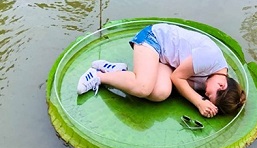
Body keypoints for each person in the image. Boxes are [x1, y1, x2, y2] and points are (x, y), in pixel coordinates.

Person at [77, 23, 246, 117]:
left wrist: (208, 104)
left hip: (167, 62)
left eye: (207, 97)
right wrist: (199, 102)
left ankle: (117, 71)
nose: (206, 94)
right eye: (209, 95)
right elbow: (178, 78)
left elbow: (177, 79)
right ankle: (98, 76)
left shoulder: (215, 78)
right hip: (154, 40)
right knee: (143, 87)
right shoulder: (210, 58)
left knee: (160, 93)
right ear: (222, 85)